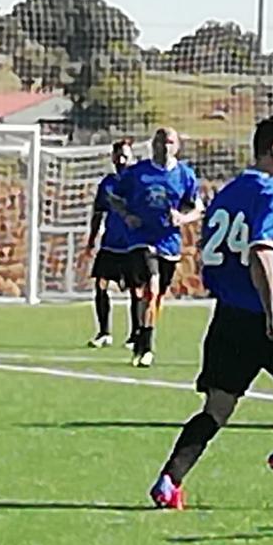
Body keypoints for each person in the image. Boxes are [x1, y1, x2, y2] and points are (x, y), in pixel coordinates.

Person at [149, 116, 273, 510]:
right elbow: (261, 252)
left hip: (228, 317)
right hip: (265, 315)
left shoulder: (226, 194)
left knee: (217, 408)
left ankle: (169, 481)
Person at [109, 127, 202, 367]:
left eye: (169, 142)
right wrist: (127, 216)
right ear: (153, 145)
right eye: (160, 142)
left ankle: (142, 335)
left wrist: (182, 218)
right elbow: (115, 197)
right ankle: (148, 347)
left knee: (157, 296)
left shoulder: (185, 175)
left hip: (168, 242)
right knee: (150, 286)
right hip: (141, 239)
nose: (164, 147)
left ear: (177, 146)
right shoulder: (137, 173)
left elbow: (197, 208)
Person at [85, 139, 140, 349]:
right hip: (110, 244)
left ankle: (135, 335)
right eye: (118, 156)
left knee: (136, 290)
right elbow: (98, 213)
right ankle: (104, 333)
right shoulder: (107, 184)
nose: (122, 160)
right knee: (100, 285)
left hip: (132, 244)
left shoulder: (138, 181)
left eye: (126, 155)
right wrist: (92, 239)